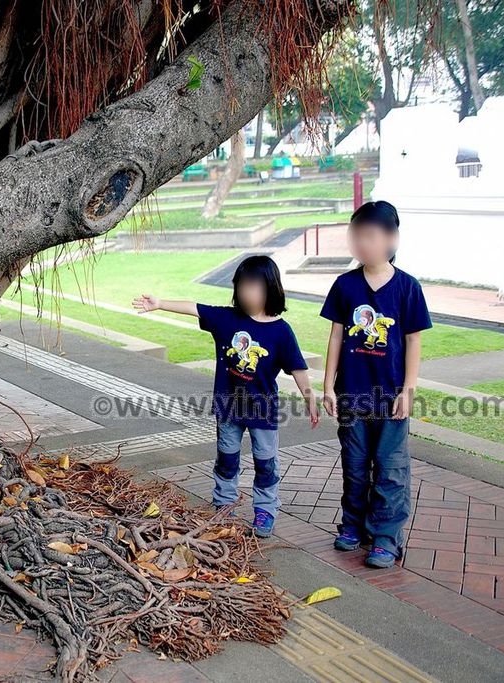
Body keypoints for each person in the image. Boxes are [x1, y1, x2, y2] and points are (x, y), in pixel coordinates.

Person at [132, 255, 319, 537]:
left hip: (262, 411)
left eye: (253, 287)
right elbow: (195, 308)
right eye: (242, 287)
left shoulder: (281, 331)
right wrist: (159, 304)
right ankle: (223, 504)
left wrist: (310, 400)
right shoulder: (227, 319)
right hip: (228, 408)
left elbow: (298, 370)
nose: (246, 293)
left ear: (270, 288)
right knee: (227, 458)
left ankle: (265, 510)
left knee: (265, 462)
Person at [320, 200, 432, 569]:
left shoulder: (407, 288)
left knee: (390, 467)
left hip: (391, 399)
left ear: (391, 239)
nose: (361, 243)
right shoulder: (345, 286)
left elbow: (414, 340)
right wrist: (326, 386)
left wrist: (409, 389)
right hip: (351, 395)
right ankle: (352, 525)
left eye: (369, 236)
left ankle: (385, 537)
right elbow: (336, 336)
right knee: (354, 465)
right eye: (356, 236)